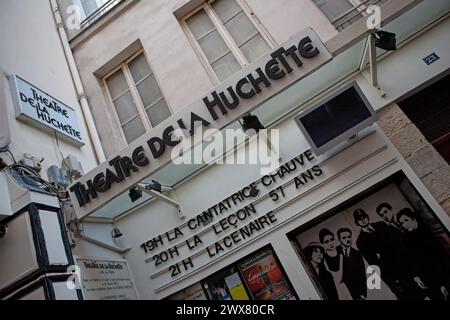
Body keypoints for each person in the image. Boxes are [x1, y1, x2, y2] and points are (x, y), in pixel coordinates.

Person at [353, 208, 415, 299]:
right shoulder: (361, 241)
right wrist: (391, 280)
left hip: (404, 263)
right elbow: (374, 263)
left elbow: (396, 242)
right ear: (357, 222)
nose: (363, 220)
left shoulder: (381, 225)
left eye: (364, 217)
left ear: (367, 217)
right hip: (391, 272)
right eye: (359, 219)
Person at [397, 208, 450, 300]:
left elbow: (440, 259)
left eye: (406, 220)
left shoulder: (428, 230)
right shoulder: (408, 238)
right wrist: (416, 276)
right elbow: (414, 260)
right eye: (402, 223)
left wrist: (443, 283)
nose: (404, 225)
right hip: (431, 278)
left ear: (413, 218)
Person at [337, 227, 367, 299]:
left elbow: (362, 275)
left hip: (357, 292)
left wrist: (363, 293)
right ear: (339, 240)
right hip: (342, 291)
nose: (348, 239)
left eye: (349, 237)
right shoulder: (335, 252)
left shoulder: (357, 254)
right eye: (344, 238)